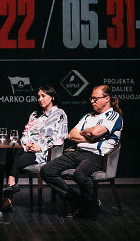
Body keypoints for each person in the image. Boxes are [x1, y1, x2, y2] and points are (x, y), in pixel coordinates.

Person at [40, 85, 123, 217]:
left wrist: (87, 133)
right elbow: (71, 135)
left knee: (80, 174)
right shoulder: (87, 117)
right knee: (46, 171)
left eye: (96, 98)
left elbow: (96, 132)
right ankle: (79, 201)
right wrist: (89, 136)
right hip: (77, 152)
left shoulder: (113, 116)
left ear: (107, 99)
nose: (92, 101)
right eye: (91, 98)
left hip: (97, 155)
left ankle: (88, 204)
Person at [0, 85, 68, 212]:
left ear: (52, 97)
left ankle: (8, 194)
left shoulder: (60, 114)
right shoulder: (34, 115)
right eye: (38, 96)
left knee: (14, 158)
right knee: (14, 148)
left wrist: (40, 147)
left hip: (44, 154)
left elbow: (60, 138)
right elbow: (25, 134)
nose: (40, 99)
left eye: (43, 96)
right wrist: (27, 144)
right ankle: (11, 187)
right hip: (28, 151)